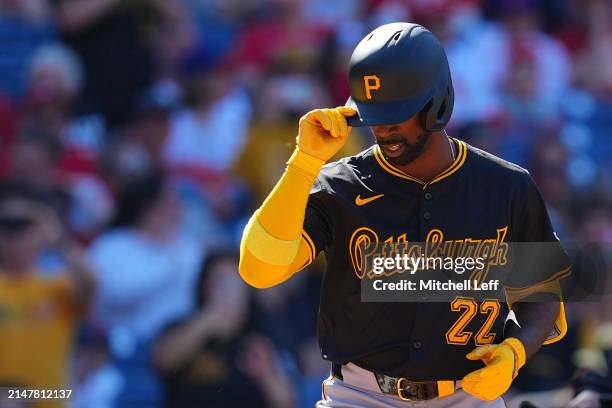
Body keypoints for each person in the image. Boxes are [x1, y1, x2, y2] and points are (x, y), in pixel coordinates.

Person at [239, 23, 570, 407]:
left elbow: (545, 296)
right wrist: (304, 162)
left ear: (438, 102)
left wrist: (516, 351)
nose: (383, 128)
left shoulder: (508, 187)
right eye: (374, 114)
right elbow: (258, 270)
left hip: (468, 395)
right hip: (360, 395)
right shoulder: (338, 185)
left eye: (398, 115)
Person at [0, 185, 95, 408]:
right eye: (6, 225)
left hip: (48, 399)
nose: (14, 236)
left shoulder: (57, 285)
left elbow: (92, 280)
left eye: (23, 226)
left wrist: (56, 236)